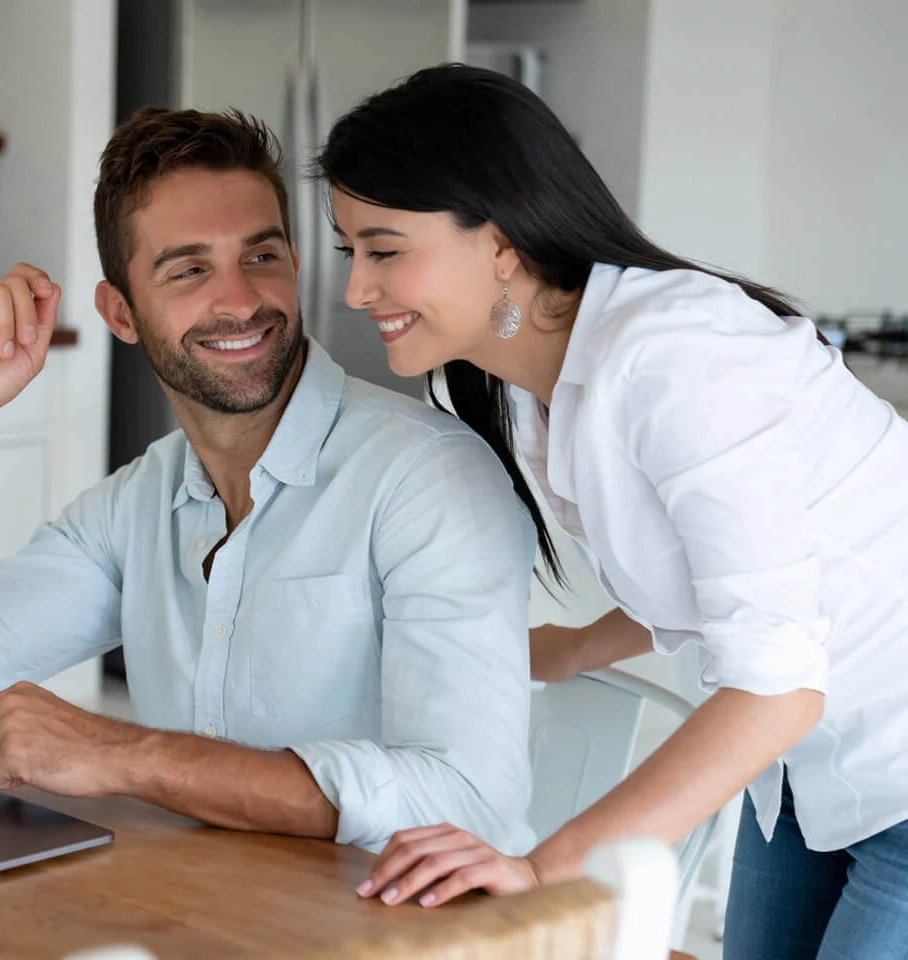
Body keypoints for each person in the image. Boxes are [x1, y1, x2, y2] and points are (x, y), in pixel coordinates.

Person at [322, 64, 908, 957]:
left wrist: (543, 866)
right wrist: (565, 650)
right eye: (348, 252)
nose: (359, 290)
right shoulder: (525, 388)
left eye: (385, 248)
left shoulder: (676, 358)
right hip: (804, 777)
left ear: (503, 241)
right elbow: (722, 570)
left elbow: (778, 681)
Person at [0, 106, 538, 855]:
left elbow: (466, 802)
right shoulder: (140, 502)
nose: (241, 300)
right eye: (188, 270)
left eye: (261, 256)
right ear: (121, 312)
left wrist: (124, 754)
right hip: (208, 909)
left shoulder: (425, 477)